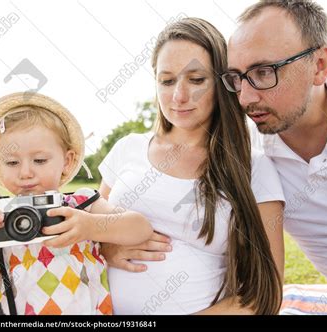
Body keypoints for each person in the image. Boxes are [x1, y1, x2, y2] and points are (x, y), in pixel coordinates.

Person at [99, 18, 285, 314]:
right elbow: (94, 228)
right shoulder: (127, 149)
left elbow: (267, 294)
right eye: (167, 80)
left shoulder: (252, 167)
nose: (179, 96)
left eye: (196, 80)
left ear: (223, 84)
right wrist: (105, 249)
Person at [221, 0, 327, 314]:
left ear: (320, 65)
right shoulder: (250, 155)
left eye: (264, 71)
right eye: (237, 77)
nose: (245, 97)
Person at [0, 92, 153, 315]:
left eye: (39, 160)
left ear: (67, 162)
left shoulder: (81, 204)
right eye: (11, 162)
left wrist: (90, 225)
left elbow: (140, 228)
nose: (25, 172)